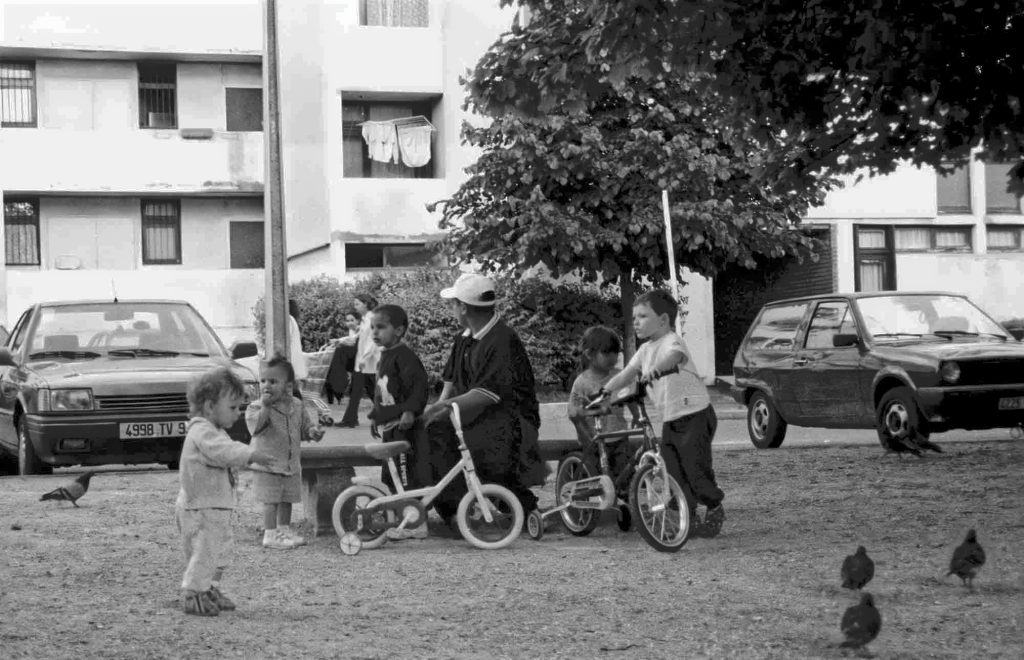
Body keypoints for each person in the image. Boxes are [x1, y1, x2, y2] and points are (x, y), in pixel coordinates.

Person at [422, 273, 546, 527]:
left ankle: (467, 510)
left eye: (453, 303)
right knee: (430, 431)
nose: (451, 309)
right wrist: (435, 409)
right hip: (482, 416)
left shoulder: (502, 339)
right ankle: (455, 508)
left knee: (472, 449)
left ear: (463, 307)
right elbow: (451, 381)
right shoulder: (464, 337)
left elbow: (485, 395)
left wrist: (440, 409)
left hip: (512, 420)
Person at [599, 290, 725, 537]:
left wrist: (656, 370)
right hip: (671, 420)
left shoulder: (672, 341)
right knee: (673, 471)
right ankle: (687, 519)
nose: (636, 322)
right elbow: (626, 374)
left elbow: (674, 357)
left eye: (643, 316)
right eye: (634, 317)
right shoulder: (645, 350)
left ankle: (714, 506)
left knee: (696, 469)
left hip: (695, 416)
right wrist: (605, 391)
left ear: (664, 320)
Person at [175, 364, 279, 616]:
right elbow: (224, 451)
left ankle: (209, 587)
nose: (238, 413)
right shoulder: (202, 432)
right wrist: (251, 454)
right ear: (210, 407)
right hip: (201, 507)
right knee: (205, 551)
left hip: (212, 505)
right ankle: (193, 593)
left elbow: (225, 454)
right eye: (232, 408)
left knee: (219, 550)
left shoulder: (213, 431)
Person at [245, 356, 325, 550]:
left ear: (288, 385)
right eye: (263, 380)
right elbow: (256, 428)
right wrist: (266, 407)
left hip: (290, 464)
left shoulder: (297, 405)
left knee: (286, 499)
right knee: (271, 500)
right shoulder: (256, 407)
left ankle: (283, 529)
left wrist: (312, 432)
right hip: (268, 464)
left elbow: (304, 427)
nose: (266, 385)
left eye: (273, 381)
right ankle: (270, 534)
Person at [366, 303, 430, 540]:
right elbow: (382, 392)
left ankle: (416, 524)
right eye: (372, 327)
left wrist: (410, 411)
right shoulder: (384, 356)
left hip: (405, 429)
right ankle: (403, 517)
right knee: (391, 475)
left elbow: (419, 387)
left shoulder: (405, 357)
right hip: (390, 428)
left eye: (381, 327)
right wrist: (376, 416)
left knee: (406, 475)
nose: (375, 332)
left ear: (399, 330)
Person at [566, 326, 634, 499]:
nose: (613, 357)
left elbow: (630, 396)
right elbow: (573, 413)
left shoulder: (619, 377)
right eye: (606, 352)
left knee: (624, 476)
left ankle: (624, 504)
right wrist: (585, 437)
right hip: (593, 440)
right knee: (596, 478)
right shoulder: (582, 382)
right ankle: (589, 505)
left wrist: (636, 416)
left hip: (619, 436)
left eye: (616, 352)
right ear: (589, 354)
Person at [339, 294, 381, 428]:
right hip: (363, 361)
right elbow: (360, 337)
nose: (355, 307)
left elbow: (372, 340)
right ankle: (350, 419)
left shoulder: (371, 319)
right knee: (358, 390)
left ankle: (391, 415)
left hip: (367, 361)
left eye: (357, 304)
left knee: (369, 390)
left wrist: (364, 358)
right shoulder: (365, 320)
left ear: (366, 304)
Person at [323, 310, 361, 405]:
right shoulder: (352, 330)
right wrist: (335, 343)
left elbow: (352, 341)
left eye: (352, 320)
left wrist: (338, 341)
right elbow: (349, 341)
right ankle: (336, 390)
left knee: (337, 352)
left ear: (358, 321)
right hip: (351, 358)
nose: (350, 323)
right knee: (333, 354)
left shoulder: (362, 329)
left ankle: (338, 390)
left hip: (360, 358)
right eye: (347, 321)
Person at [288, 299, 308, 399]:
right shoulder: (293, 321)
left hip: (290, 364)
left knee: (294, 394)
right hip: (293, 365)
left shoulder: (288, 320)